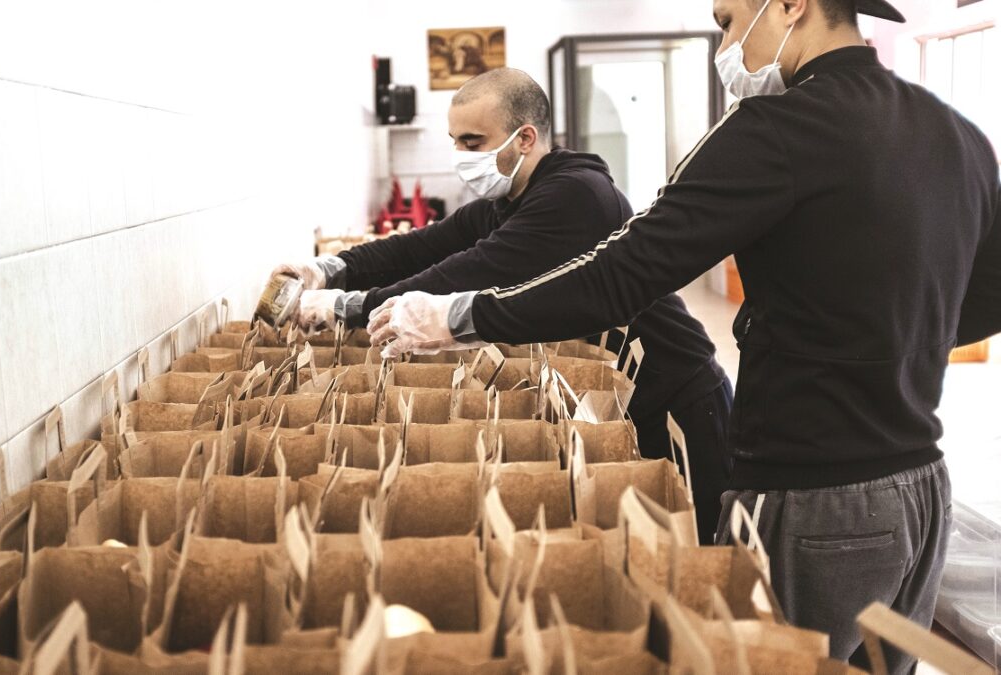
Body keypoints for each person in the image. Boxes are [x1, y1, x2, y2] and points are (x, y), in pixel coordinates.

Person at [367, 1, 1001, 671]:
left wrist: (457, 317)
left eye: (728, 20)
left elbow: (623, 272)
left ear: (790, 6)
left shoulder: (774, 130)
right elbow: (989, 291)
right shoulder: (954, 131)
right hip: (924, 491)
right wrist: (894, 334)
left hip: (815, 501)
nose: (724, 44)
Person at [271, 68, 735, 543]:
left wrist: (345, 308)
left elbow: (463, 274)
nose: (460, 157)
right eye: (454, 142)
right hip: (625, 396)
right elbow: (421, 247)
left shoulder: (574, 196)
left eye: (473, 142)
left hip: (681, 397)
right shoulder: (512, 197)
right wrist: (331, 269)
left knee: (700, 547)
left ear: (524, 138)